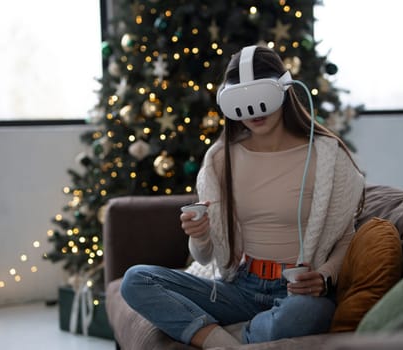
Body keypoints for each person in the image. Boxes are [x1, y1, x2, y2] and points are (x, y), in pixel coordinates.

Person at [121, 45, 365, 348]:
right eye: (242, 101)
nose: (254, 112)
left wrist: (325, 276)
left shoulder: (327, 156)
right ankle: (225, 341)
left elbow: (346, 236)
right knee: (136, 280)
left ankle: (234, 335)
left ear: (285, 90)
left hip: (297, 293)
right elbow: (205, 256)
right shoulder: (221, 158)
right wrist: (199, 236)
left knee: (306, 315)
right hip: (241, 285)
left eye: (261, 98)